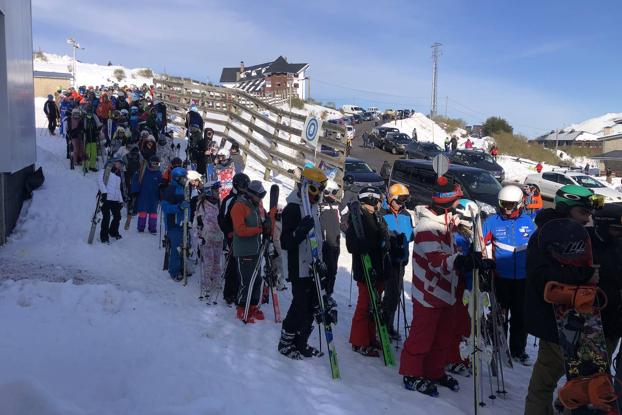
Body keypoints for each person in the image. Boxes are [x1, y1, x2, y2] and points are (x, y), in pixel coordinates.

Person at [400, 177, 493, 396]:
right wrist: (461, 261)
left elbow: (457, 248)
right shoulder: (427, 227)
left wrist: (474, 257)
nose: (457, 205)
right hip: (428, 292)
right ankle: (411, 373)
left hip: (448, 291)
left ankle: (434, 370)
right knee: (422, 336)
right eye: (455, 200)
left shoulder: (448, 222)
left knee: (442, 336)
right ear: (444, 201)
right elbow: (437, 261)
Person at [524, 185, 601, 414]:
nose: (587, 218)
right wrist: (585, 275)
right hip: (553, 320)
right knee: (548, 379)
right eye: (583, 213)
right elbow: (541, 276)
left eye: (589, 213)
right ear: (566, 209)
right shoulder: (546, 234)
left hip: (578, 316)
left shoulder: (577, 233)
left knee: (576, 380)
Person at [482, 185, 536, 366]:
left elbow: (537, 248)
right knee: (500, 315)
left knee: (521, 316)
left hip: (523, 278)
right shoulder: (492, 221)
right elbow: (480, 244)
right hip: (500, 277)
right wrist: (484, 262)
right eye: (503, 204)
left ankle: (518, 350)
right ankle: (499, 345)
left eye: (511, 205)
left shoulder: (528, 222)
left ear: (520, 204)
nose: (506, 209)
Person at [278, 167, 329, 359]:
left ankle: (301, 342)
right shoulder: (292, 209)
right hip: (297, 266)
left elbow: (317, 240)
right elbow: (286, 242)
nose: (319, 195)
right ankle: (286, 342)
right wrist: (299, 231)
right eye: (317, 190)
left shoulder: (314, 208)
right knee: (299, 305)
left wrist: (322, 262)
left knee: (312, 306)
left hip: (312, 266)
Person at [346, 186, 391, 357]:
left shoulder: (376, 217)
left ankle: (370, 337)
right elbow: (352, 245)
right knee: (365, 306)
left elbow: (382, 237)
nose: (380, 202)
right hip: (366, 268)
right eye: (378, 199)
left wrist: (389, 241)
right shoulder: (358, 217)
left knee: (375, 306)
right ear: (371, 199)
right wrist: (366, 244)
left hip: (379, 267)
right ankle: (359, 341)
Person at [231, 180, 269, 323]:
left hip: (255, 248)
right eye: (258, 196)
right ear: (251, 194)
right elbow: (240, 230)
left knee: (257, 280)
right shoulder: (239, 206)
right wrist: (259, 230)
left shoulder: (254, 206)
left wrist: (265, 224)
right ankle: (242, 307)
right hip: (244, 249)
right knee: (246, 281)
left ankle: (253, 306)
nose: (260, 199)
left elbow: (260, 220)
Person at [381, 183, 414, 340]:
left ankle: (388, 324)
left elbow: (411, 235)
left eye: (404, 201)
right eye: (399, 200)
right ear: (391, 198)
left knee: (394, 295)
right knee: (386, 293)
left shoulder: (406, 215)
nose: (402, 204)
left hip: (401, 261)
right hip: (386, 260)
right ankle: (380, 324)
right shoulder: (383, 214)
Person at [590, 204, 622, 361]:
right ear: (602, 225)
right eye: (616, 229)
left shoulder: (618, 245)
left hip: (614, 320)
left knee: (604, 365)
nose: (619, 234)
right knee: (591, 367)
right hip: (592, 318)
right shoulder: (587, 244)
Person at [218, 172, 250, 305]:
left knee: (242, 265)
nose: (245, 189)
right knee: (232, 264)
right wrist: (228, 232)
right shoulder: (230, 199)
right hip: (233, 236)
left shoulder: (247, 199)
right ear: (236, 185)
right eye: (243, 186)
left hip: (245, 236)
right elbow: (222, 218)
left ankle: (239, 292)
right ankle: (229, 293)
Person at [193, 180, 224, 301]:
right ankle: (206, 285)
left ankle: (216, 281)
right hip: (207, 238)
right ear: (209, 191)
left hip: (218, 237)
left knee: (217, 262)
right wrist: (198, 236)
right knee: (208, 262)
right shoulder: (202, 205)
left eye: (218, 190)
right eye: (216, 190)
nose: (218, 193)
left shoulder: (219, 204)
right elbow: (197, 222)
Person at [160, 167, 190, 282]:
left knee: (185, 246)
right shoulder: (170, 190)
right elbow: (165, 207)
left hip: (185, 222)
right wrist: (179, 207)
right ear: (177, 178)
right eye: (183, 177)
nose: (185, 179)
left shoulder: (185, 189)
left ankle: (183, 267)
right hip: (174, 224)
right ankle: (174, 271)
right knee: (177, 247)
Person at [319, 180, 341, 305]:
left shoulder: (337, 205)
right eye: (333, 192)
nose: (335, 195)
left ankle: (328, 294)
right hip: (325, 244)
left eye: (336, 192)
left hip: (336, 243)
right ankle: (321, 294)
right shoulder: (320, 205)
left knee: (333, 271)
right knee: (327, 270)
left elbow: (342, 220)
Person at [131, 155, 162, 234]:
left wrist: (161, 194)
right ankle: (141, 228)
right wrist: (135, 191)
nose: (155, 166)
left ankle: (152, 228)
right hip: (143, 194)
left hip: (154, 196)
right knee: (143, 212)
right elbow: (135, 180)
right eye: (154, 163)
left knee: (153, 214)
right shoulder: (143, 171)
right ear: (150, 163)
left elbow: (161, 185)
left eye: (157, 164)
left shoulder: (158, 174)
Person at [98, 158, 126, 244]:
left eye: (120, 164)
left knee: (117, 217)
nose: (119, 165)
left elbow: (118, 189)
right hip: (106, 198)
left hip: (115, 200)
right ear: (113, 162)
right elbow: (99, 181)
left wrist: (121, 200)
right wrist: (104, 192)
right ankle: (104, 237)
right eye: (118, 163)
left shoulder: (118, 175)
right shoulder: (105, 170)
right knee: (106, 217)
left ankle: (113, 232)